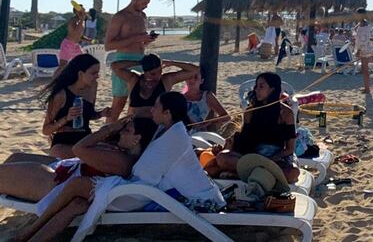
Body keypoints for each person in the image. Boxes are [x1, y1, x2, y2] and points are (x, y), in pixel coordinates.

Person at [70, 92, 224, 240]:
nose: (152, 110)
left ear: (167, 113)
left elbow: (146, 174)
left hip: (201, 200)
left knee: (78, 187)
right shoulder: (166, 130)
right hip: (184, 192)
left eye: (156, 107)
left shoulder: (174, 138)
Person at [13, 117, 158, 242]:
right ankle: (30, 233)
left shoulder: (123, 161)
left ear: (137, 139)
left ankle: (30, 231)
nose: (121, 132)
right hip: (73, 177)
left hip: (66, 181)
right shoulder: (122, 151)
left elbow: (78, 148)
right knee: (76, 204)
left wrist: (111, 129)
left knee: (75, 198)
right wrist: (110, 132)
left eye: (127, 130)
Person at [204, 72, 300, 183]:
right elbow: (245, 142)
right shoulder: (250, 111)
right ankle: (261, 174)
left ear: (272, 89)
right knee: (222, 158)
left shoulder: (285, 113)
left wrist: (273, 158)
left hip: (275, 157)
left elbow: (290, 149)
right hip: (253, 157)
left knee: (293, 173)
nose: (256, 90)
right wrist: (228, 147)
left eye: (261, 86)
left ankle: (241, 174)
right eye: (256, 86)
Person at [105, 0, 158, 122]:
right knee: (119, 102)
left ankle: (127, 129)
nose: (145, 7)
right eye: (143, 3)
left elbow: (140, 43)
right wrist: (137, 38)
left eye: (147, 4)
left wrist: (147, 40)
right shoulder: (120, 17)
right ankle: (105, 132)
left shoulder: (142, 16)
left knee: (138, 101)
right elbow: (108, 45)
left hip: (141, 59)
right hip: (123, 60)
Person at [42, 54, 110, 159]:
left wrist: (101, 114)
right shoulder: (61, 95)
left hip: (85, 138)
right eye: (93, 73)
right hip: (65, 140)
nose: (97, 76)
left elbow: (88, 114)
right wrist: (66, 119)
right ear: (80, 73)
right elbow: (46, 130)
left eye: (98, 72)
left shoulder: (92, 86)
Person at [112, 53, 199, 118]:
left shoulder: (166, 80)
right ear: (145, 72)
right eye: (153, 74)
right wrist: (138, 62)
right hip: (133, 125)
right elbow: (115, 66)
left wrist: (173, 63)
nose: (157, 76)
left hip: (155, 125)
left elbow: (195, 70)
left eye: (160, 72)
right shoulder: (134, 79)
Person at [354, 18, 373, 93]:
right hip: (364, 49)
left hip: (364, 50)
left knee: (365, 69)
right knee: (364, 69)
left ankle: (367, 88)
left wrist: (358, 50)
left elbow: (363, 40)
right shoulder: (363, 25)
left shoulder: (364, 27)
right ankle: (366, 87)